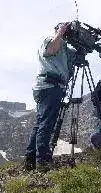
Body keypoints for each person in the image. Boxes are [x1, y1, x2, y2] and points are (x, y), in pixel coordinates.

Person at [24, 22, 75, 172]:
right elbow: (50, 50)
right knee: (46, 124)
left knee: (41, 123)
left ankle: (31, 160)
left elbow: (75, 59)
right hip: (48, 86)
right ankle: (43, 162)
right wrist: (59, 33)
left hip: (52, 87)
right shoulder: (50, 40)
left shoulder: (65, 48)